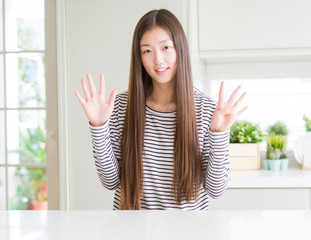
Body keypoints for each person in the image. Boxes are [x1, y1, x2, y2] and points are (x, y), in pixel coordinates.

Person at [74, 9, 247, 210]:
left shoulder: (206, 109)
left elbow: (216, 190)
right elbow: (110, 182)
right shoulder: (122, 106)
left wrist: (219, 134)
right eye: (147, 51)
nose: (158, 60)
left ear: (180, 49)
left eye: (166, 47)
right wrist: (98, 127)